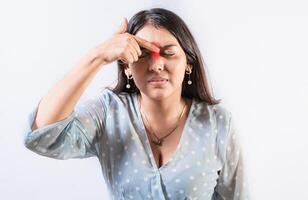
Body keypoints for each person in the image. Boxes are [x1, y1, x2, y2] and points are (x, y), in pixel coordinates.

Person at [23, 8, 249, 200]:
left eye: (169, 54)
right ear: (127, 67)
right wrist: (97, 57)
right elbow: (42, 136)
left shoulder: (218, 123)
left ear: (188, 64)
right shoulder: (108, 113)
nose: (156, 65)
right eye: (143, 54)